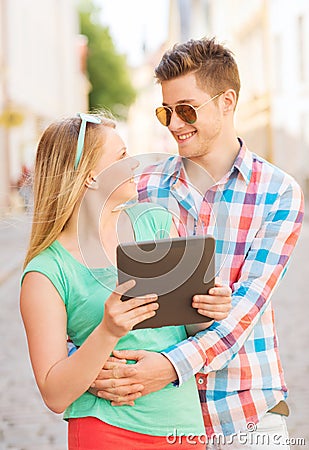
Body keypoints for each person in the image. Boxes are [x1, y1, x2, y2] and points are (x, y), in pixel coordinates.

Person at [90, 38, 304, 449]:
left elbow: (244, 310)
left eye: (186, 110)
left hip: (245, 416)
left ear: (227, 101)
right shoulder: (145, 186)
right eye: (165, 112)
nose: (173, 124)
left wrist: (169, 366)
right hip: (157, 418)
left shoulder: (278, 193)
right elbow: (94, 280)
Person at [20, 112, 232, 449]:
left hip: (182, 426)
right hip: (105, 430)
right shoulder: (46, 273)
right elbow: (54, 394)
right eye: (121, 157)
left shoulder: (158, 225)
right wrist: (108, 331)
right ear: (90, 177)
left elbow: (188, 327)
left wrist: (208, 309)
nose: (135, 165)